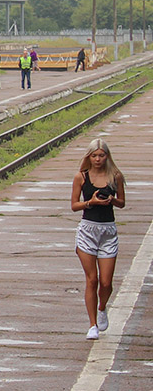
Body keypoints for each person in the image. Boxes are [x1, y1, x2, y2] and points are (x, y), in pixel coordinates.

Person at [70, 139, 125, 339]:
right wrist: (89, 203)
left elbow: (122, 203)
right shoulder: (81, 177)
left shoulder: (115, 176)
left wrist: (112, 200)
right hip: (87, 231)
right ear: (89, 157)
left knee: (106, 282)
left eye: (101, 155)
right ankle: (92, 324)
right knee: (92, 279)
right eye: (94, 155)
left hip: (108, 232)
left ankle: (102, 307)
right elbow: (74, 205)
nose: (98, 159)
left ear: (107, 157)